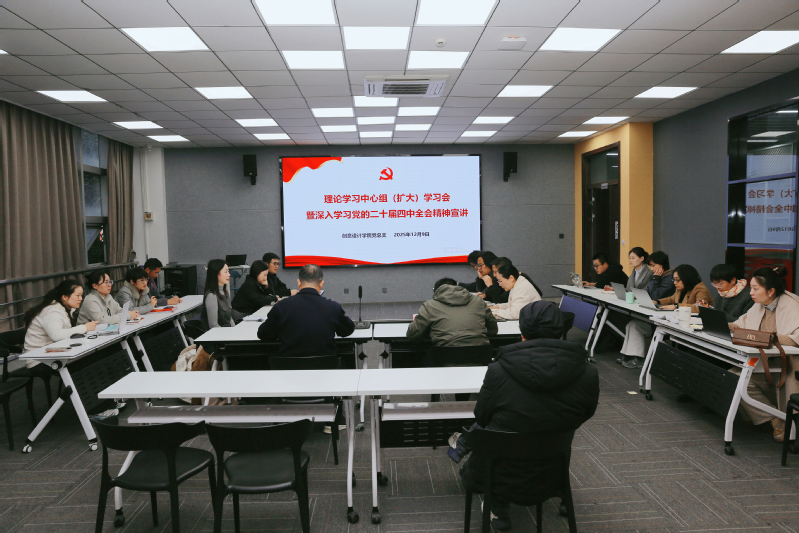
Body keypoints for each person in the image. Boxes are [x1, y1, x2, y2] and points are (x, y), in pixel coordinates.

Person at [449, 301, 599, 531]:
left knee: (491, 429)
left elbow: (482, 415)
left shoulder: (498, 370)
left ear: (522, 331)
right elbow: (585, 413)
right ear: (560, 330)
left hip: (499, 470)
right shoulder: (588, 371)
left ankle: (496, 503)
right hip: (551, 469)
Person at [729, 266, 799, 442]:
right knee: (733, 376)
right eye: (751, 288)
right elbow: (742, 323)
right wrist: (725, 325)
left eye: (755, 288)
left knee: (740, 380)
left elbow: (795, 339)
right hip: (766, 363)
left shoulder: (792, 305)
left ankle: (778, 420)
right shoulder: (760, 304)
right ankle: (775, 418)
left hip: (786, 368)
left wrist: (769, 337)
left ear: (771, 291)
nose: (751, 292)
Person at [618, 264, 713, 369]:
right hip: (672, 322)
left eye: (677, 280)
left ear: (687, 278)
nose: (675, 282)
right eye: (674, 279)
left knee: (636, 325)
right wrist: (657, 302)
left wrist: (676, 306)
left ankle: (638, 358)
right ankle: (628, 355)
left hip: (690, 327)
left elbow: (699, 307)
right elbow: (672, 298)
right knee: (632, 324)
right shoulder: (681, 288)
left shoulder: (700, 289)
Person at [257, 264, 354, 358]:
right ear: (321, 284)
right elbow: (347, 331)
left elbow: (263, 334)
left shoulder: (281, 306)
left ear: (299, 282)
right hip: (326, 366)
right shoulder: (333, 307)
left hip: (289, 366)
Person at [406, 278, 498, 346]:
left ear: (436, 291)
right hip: (480, 356)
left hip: (445, 357)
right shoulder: (479, 302)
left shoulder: (429, 306)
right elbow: (493, 330)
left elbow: (413, 335)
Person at [23, 280, 98, 364]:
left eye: (81, 295)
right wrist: (84, 328)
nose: (80, 298)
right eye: (77, 295)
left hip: (52, 353)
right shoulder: (52, 311)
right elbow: (56, 335)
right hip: (39, 360)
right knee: (88, 362)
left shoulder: (64, 309)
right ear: (65, 297)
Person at [201, 259, 235, 329]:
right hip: (218, 333)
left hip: (227, 331)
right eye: (225, 272)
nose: (229, 274)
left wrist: (235, 330)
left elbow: (229, 318)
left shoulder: (225, 292)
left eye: (228, 271)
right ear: (216, 273)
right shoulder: (212, 296)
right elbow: (213, 326)